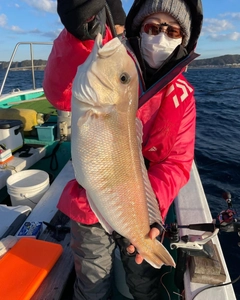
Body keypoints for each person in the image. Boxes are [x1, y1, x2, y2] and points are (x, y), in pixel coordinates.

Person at [43, 0, 203, 299]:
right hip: (88, 204)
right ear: (138, 30)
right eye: (153, 27)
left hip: (140, 212)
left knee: (144, 282)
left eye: (172, 31)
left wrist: (148, 215)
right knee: (91, 280)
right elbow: (60, 93)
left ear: (185, 39)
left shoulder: (183, 96)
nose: (160, 37)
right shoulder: (114, 61)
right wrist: (78, 38)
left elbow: (177, 162)